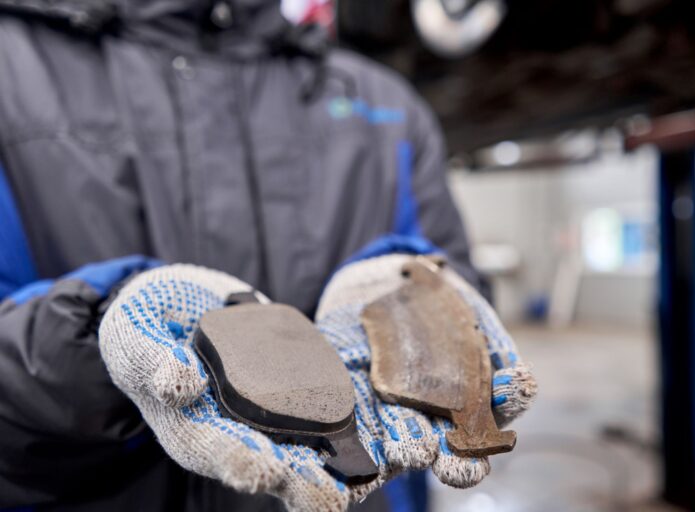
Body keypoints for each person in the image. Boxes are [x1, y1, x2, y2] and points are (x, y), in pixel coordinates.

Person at [0, 1, 535, 510]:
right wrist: (95, 341)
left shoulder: (387, 106)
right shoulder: (11, 70)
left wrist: (413, 288)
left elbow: (457, 287)